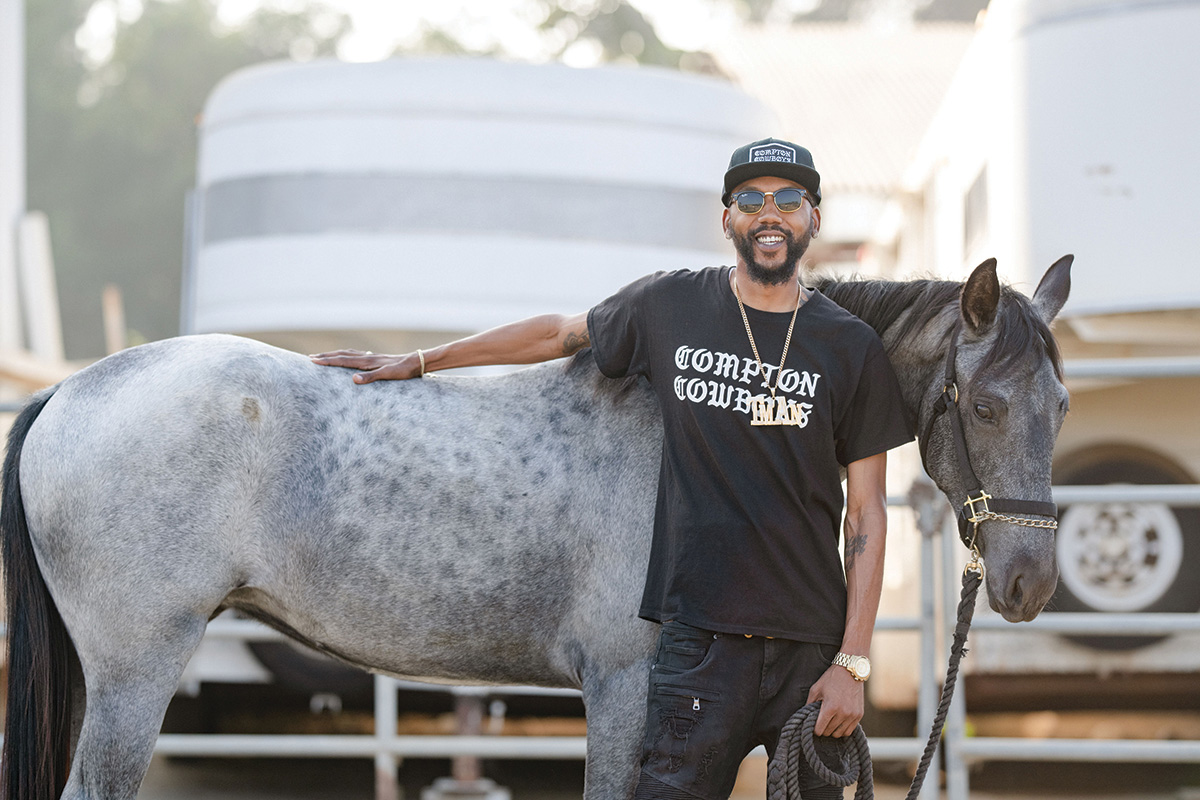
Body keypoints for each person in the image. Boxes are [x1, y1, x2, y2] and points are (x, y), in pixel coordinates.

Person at [311, 138, 913, 800]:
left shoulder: (851, 347)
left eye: (789, 198)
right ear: (727, 219)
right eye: (750, 199)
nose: (769, 213)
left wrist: (852, 663)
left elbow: (866, 516)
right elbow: (557, 334)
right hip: (699, 647)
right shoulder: (670, 305)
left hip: (811, 653)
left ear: (814, 218)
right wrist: (425, 360)